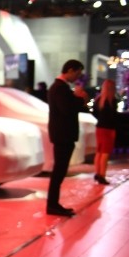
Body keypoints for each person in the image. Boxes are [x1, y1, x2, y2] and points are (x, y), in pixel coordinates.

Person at [46, 59, 90, 216]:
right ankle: (52, 205)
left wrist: (77, 98)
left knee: (60, 170)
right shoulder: (60, 88)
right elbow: (67, 109)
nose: (78, 77)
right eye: (77, 73)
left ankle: (53, 204)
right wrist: (80, 98)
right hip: (62, 135)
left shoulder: (60, 87)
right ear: (70, 70)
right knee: (59, 171)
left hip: (62, 135)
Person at [92, 79, 117, 185]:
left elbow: (94, 114)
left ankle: (97, 173)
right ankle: (102, 175)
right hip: (109, 129)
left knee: (99, 152)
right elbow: (114, 117)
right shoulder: (112, 101)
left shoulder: (98, 100)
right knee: (106, 153)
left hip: (99, 128)